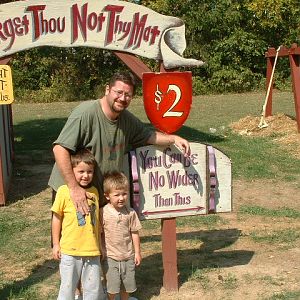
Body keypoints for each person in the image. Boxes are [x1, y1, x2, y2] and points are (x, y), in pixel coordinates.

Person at [48, 71, 190, 214]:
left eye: (128, 95)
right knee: (69, 236)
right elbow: (60, 149)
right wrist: (74, 188)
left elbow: (148, 135)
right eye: (119, 92)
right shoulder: (86, 113)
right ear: (107, 89)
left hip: (98, 196)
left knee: (93, 237)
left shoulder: (126, 119)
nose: (122, 98)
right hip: (71, 193)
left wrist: (174, 138)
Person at [51, 149, 106, 300]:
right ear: (72, 170)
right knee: (67, 287)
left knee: (93, 289)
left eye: (89, 171)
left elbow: (98, 223)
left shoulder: (95, 191)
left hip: (92, 250)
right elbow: (56, 219)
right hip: (70, 251)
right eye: (81, 171)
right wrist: (56, 244)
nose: (85, 175)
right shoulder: (63, 191)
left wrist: (101, 244)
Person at [101, 171, 142, 300]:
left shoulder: (130, 213)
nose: (121, 198)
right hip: (110, 257)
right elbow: (99, 233)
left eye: (124, 194)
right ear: (107, 196)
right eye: (117, 194)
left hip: (127, 256)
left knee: (127, 286)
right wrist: (101, 249)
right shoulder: (103, 212)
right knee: (112, 286)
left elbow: (134, 232)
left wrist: (137, 252)